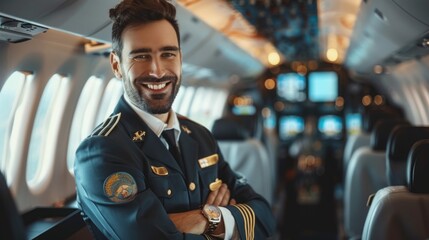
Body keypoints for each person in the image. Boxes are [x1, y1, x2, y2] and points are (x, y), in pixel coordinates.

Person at [73, 0, 276, 239]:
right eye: (141, 56)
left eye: (168, 54)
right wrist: (223, 222)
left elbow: (264, 218)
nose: (157, 71)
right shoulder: (102, 151)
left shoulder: (200, 136)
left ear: (180, 58)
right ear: (117, 65)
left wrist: (208, 219)